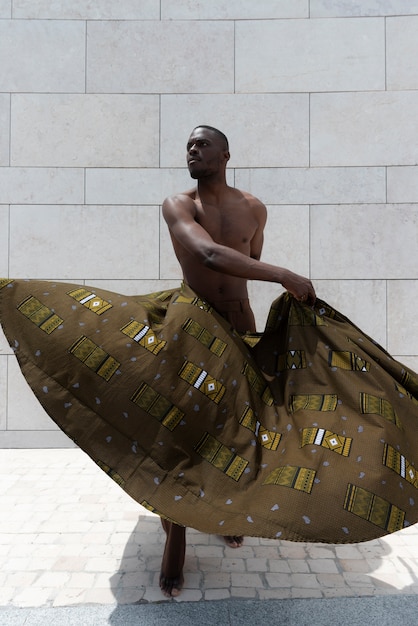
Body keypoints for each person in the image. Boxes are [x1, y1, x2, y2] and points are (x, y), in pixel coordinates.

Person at [159, 125, 316, 597]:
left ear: (226, 155)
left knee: (239, 426)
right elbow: (209, 255)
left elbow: (243, 266)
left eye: (202, 144)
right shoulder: (178, 205)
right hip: (194, 324)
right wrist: (284, 275)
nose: (192, 150)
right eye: (188, 144)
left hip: (241, 322)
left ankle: (224, 511)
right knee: (184, 427)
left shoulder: (253, 208)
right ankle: (176, 535)